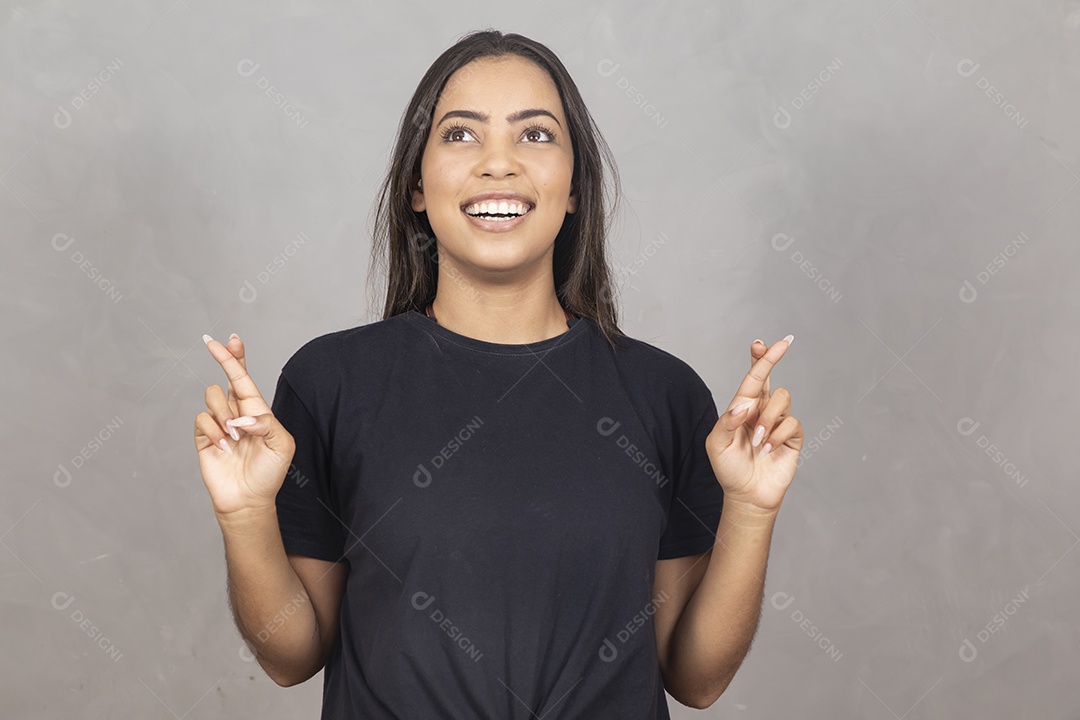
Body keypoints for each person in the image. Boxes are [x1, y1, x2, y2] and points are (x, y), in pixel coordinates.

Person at [194, 28, 802, 719]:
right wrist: (244, 514)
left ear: (574, 188)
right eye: (460, 135)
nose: (498, 164)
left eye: (536, 135)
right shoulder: (332, 383)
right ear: (417, 188)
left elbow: (695, 679)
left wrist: (752, 511)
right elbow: (292, 656)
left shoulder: (662, 395)